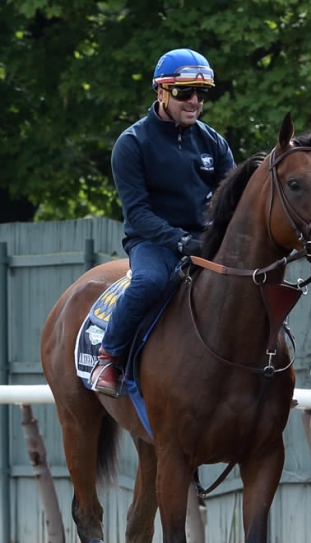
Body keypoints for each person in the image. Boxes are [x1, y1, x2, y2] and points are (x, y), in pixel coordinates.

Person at [90, 48, 236, 397]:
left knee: (253, 281)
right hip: (152, 242)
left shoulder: (214, 142)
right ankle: (109, 358)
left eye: (202, 93)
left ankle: (268, 372)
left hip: (205, 239)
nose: (195, 101)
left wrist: (215, 238)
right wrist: (181, 242)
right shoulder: (132, 143)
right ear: (161, 92)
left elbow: (231, 203)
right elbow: (137, 214)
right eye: (185, 92)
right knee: (150, 282)